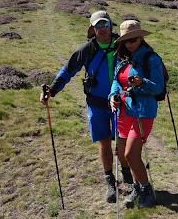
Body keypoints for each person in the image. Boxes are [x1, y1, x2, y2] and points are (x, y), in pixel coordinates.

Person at [40, 11, 134, 203]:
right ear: (92, 29)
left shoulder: (122, 44)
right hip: (97, 103)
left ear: (110, 25)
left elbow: (143, 57)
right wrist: (52, 90)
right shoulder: (86, 49)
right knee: (104, 142)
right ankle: (110, 181)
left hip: (121, 102)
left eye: (105, 24)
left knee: (123, 143)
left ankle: (128, 177)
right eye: (97, 26)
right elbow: (67, 71)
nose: (102, 29)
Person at [109, 20, 165, 209]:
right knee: (126, 156)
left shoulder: (152, 59)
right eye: (126, 40)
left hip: (143, 112)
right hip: (124, 111)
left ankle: (147, 191)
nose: (130, 43)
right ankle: (138, 188)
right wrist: (113, 96)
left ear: (141, 37)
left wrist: (142, 83)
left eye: (133, 39)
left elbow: (158, 87)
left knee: (131, 155)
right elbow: (116, 83)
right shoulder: (122, 58)